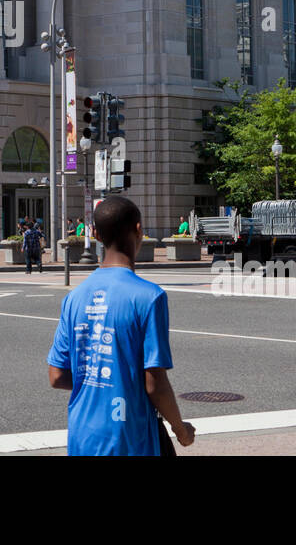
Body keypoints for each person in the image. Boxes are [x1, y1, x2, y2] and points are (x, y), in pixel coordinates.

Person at [47, 195, 195, 455]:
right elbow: (154, 383)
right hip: (128, 436)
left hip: (83, 433)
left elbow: (57, 376)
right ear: (138, 230)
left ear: (94, 234)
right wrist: (180, 429)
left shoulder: (74, 298)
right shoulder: (149, 296)